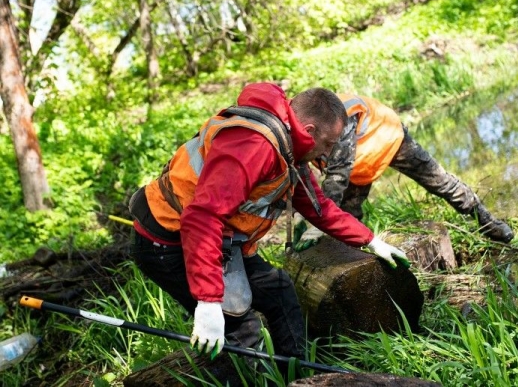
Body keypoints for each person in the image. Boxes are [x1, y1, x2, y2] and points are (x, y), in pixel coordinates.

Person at [127, 83, 409, 362]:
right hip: (168, 240)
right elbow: (202, 217)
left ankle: (297, 377)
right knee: (242, 331)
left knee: (279, 290)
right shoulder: (253, 147)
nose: (326, 154)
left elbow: (318, 207)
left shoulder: (289, 151)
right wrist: (209, 300)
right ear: (310, 132)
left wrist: (371, 241)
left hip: (221, 239)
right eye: (328, 145)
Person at [295, 93, 514, 251]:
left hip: (389, 138)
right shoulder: (302, 129)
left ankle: (489, 224)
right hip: (359, 165)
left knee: (440, 182)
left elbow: (337, 175)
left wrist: (318, 220)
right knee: (348, 213)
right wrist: (303, 214)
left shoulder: (336, 120)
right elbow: (304, 173)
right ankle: (350, 258)